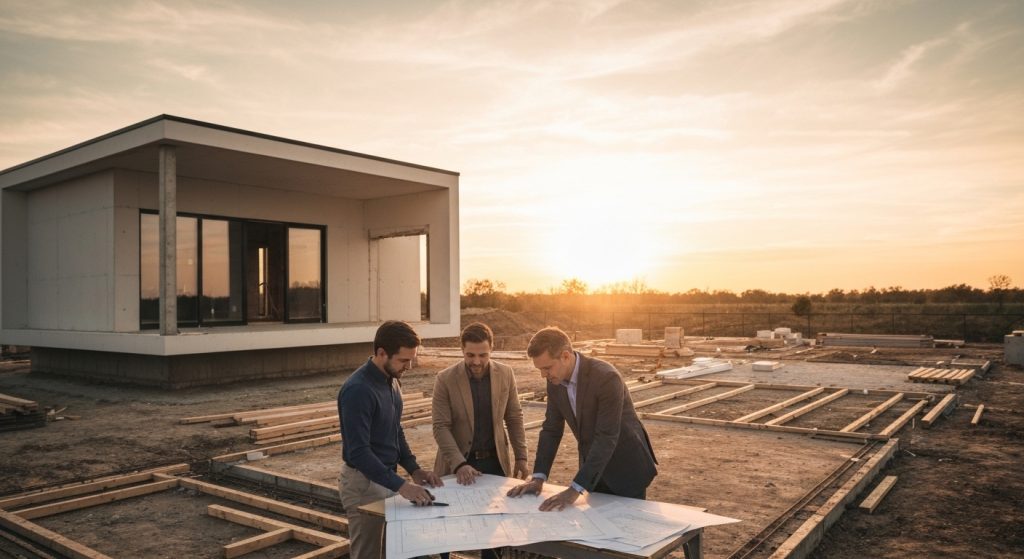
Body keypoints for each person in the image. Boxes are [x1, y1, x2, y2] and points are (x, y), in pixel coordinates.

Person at [507, 326, 657, 511]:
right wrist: (538, 478)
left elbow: (606, 436)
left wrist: (574, 490)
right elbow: (551, 429)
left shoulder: (606, 378)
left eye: (547, 368)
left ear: (566, 356)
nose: (543, 375)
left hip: (626, 468)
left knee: (627, 530)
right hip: (594, 470)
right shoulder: (554, 381)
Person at [338, 320, 443, 559]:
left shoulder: (392, 380)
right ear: (381, 353)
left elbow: (395, 430)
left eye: (412, 359)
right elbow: (359, 453)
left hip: (386, 478)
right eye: (404, 360)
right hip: (362, 484)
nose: (410, 366)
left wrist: (414, 469)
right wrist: (402, 486)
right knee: (368, 555)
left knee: (392, 553)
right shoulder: (358, 390)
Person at [431, 322, 530, 559]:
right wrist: (459, 464)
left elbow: (514, 416)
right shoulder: (445, 379)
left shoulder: (506, 374)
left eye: (483, 355)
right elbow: (440, 427)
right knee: (448, 525)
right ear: (462, 350)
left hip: (494, 464)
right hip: (457, 464)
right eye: (470, 355)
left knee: (493, 529)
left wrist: (522, 456)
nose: (476, 361)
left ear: (492, 350)